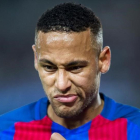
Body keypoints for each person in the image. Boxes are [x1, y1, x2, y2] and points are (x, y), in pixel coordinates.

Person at [0, 2, 140, 140]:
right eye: (49, 67)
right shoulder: (4, 131)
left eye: (75, 68)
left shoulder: (135, 129)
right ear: (36, 59)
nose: (62, 85)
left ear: (103, 60)